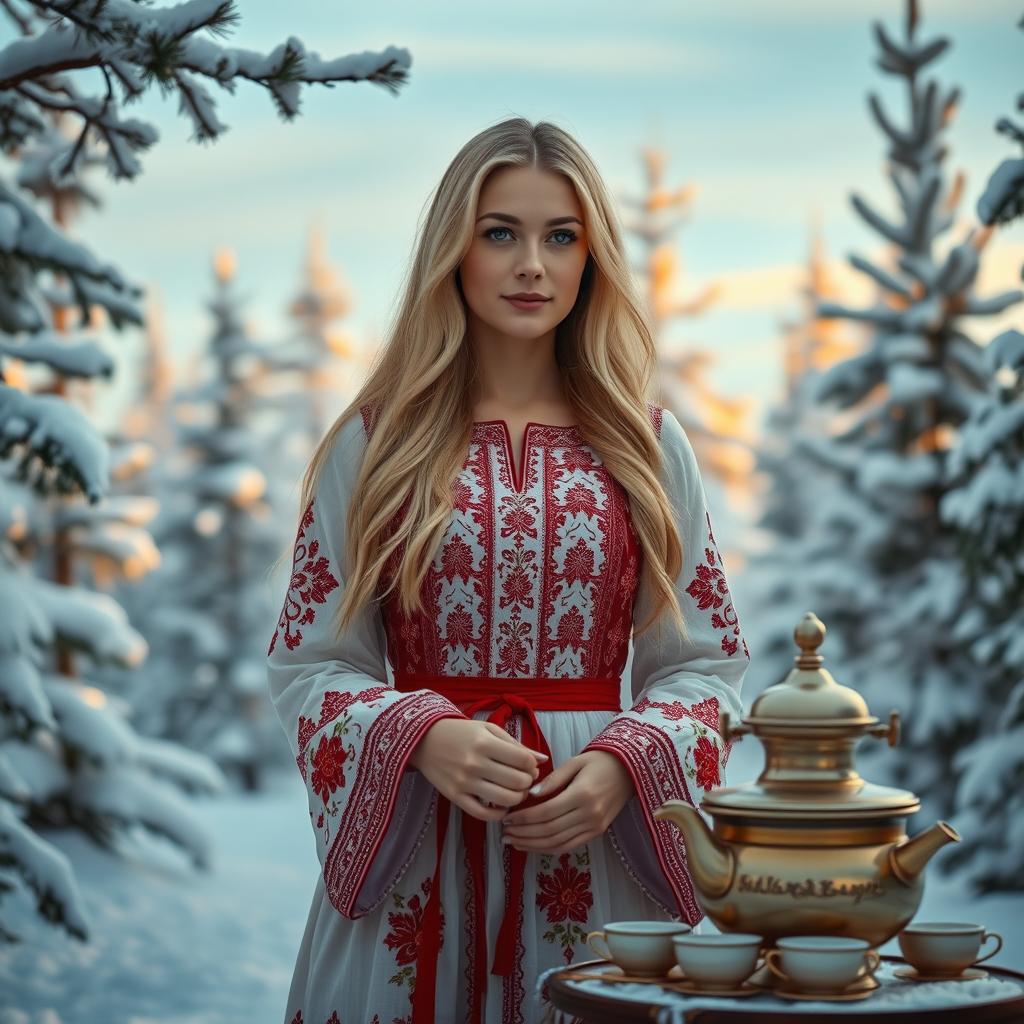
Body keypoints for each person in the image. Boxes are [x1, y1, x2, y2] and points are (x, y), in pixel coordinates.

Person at [266, 116, 749, 1024]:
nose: (533, 263)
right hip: (419, 852)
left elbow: (706, 663)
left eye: (561, 236)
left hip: (594, 861)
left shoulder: (645, 446)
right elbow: (309, 663)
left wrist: (625, 765)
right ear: (455, 248)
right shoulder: (374, 445)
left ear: (591, 258)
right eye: (501, 233)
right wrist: (418, 735)